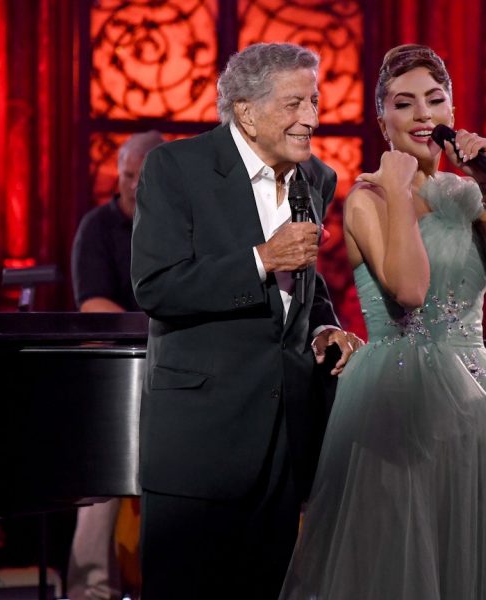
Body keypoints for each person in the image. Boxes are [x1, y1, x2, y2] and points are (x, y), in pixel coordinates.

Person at [279, 44, 486, 599]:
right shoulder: (366, 198)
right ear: (382, 119)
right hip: (398, 391)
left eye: (435, 102)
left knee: (470, 552)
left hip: (477, 396)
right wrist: (397, 186)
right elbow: (410, 291)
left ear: (452, 113)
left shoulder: (466, 193)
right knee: (403, 559)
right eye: (404, 103)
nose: (422, 116)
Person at [130, 42, 362, 599]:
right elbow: (155, 286)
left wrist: (325, 324)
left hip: (284, 445)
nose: (310, 117)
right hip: (201, 447)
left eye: (314, 101)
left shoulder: (318, 178)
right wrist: (261, 260)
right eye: (293, 104)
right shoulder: (175, 168)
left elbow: (302, 282)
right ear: (246, 111)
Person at [67, 129, 165, 600]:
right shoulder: (97, 227)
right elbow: (94, 308)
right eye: (126, 175)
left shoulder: (175, 226)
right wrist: (168, 319)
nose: (131, 185)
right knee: (101, 482)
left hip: (169, 366)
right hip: (110, 370)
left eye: (141, 178)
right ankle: (91, 588)